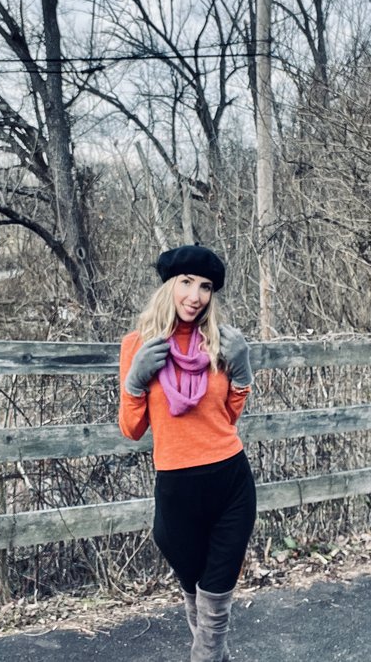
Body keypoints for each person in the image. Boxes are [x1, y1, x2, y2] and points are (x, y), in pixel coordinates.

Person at [118, 244, 256, 662]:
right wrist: (135, 382)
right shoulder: (138, 345)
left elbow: (227, 418)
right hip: (177, 489)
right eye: (186, 282)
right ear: (168, 286)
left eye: (206, 286)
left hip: (230, 481)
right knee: (198, 596)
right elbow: (132, 429)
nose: (195, 296)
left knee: (216, 603)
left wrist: (242, 373)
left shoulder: (219, 343)